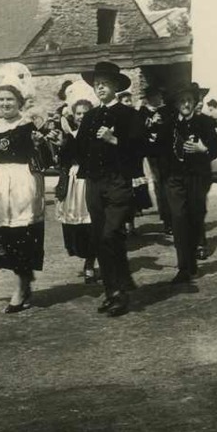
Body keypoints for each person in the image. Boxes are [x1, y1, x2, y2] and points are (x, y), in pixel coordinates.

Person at [74, 61, 147, 318]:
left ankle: (120, 293)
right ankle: (111, 290)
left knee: (111, 234)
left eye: (104, 83)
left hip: (118, 182)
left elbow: (141, 149)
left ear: (115, 86)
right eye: (96, 84)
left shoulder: (129, 115)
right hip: (94, 183)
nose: (99, 88)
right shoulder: (91, 116)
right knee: (99, 236)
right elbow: (79, 148)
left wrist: (114, 139)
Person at [0, 68, 45, 313]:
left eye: (10, 99)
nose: (5, 103)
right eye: (1, 99)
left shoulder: (27, 126)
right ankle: (23, 279)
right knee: (1, 238)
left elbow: (42, 157)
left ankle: (21, 286)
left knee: (20, 236)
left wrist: (39, 143)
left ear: (19, 102)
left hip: (22, 185)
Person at [156, 82, 217, 284]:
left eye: (189, 100)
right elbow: (158, 149)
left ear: (195, 102)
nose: (186, 104)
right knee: (178, 218)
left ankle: (191, 259)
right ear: (176, 104)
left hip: (197, 178)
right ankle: (183, 267)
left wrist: (203, 149)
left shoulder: (206, 123)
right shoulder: (168, 124)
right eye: (182, 101)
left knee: (194, 218)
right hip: (174, 179)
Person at [55, 81, 99, 283]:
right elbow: (63, 160)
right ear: (74, 115)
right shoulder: (69, 135)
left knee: (91, 222)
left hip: (89, 181)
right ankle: (84, 255)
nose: (82, 117)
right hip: (73, 182)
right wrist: (63, 145)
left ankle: (90, 262)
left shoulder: (95, 134)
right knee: (76, 225)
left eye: (85, 113)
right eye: (78, 113)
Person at [140, 84, 173, 238]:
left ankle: (171, 219)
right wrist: (151, 123)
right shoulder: (142, 112)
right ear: (150, 98)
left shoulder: (165, 111)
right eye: (157, 96)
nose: (160, 98)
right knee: (160, 185)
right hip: (151, 155)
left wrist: (162, 123)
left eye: (160, 96)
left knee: (168, 184)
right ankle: (167, 220)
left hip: (166, 153)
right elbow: (138, 132)